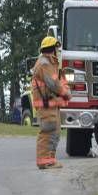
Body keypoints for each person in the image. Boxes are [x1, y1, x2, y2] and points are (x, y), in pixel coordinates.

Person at [32, 36, 70, 169]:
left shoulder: (51, 64)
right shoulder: (44, 64)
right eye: (56, 48)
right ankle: (44, 160)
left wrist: (64, 91)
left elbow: (58, 81)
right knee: (47, 131)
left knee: (54, 132)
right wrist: (65, 93)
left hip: (52, 104)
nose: (58, 51)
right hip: (46, 105)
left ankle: (50, 159)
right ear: (52, 49)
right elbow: (53, 84)